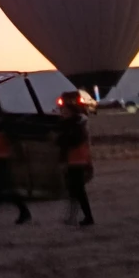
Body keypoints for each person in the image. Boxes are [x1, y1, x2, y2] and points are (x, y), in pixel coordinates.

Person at [59, 93, 95, 226]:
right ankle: (74, 216)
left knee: (78, 191)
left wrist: (61, 139)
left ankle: (87, 217)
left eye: (65, 112)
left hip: (77, 160)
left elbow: (73, 141)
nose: (63, 114)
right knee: (74, 190)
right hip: (73, 160)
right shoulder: (73, 124)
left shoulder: (76, 126)